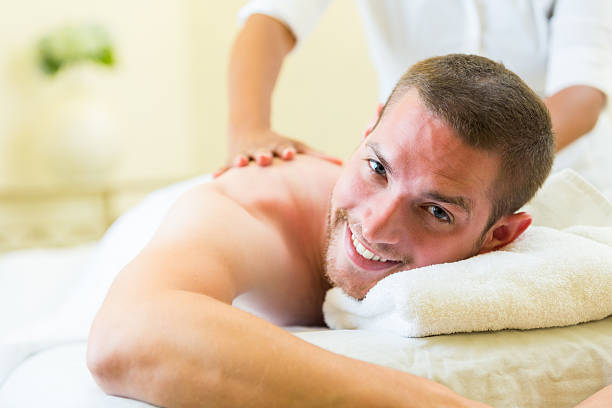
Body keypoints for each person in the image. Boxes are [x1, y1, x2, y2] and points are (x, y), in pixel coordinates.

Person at [86, 54, 557, 407]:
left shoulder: (522, 262)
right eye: (377, 168)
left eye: (435, 211)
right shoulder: (246, 210)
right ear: (368, 130)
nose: (375, 224)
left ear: (500, 236)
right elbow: (125, 336)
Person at [224, 0, 612, 197]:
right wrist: (250, 131)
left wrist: (480, 170)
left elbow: (581, 94)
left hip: (559, 174)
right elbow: (270, 20)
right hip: (400, 170)